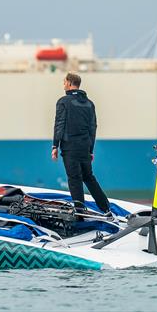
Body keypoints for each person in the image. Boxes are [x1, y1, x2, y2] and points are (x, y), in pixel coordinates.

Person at [51, 72, 111, 216]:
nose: (63, 85)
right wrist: (90, 150)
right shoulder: (90, 104)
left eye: (64, 82)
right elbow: (93, 128)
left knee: (74, 178)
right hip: (84, 147)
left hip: (70, 147)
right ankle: (106, 208)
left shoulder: (63, 101)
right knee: (88, 177)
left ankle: (79, 212)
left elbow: (59, 124)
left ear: (70, 83)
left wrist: (55, 146)